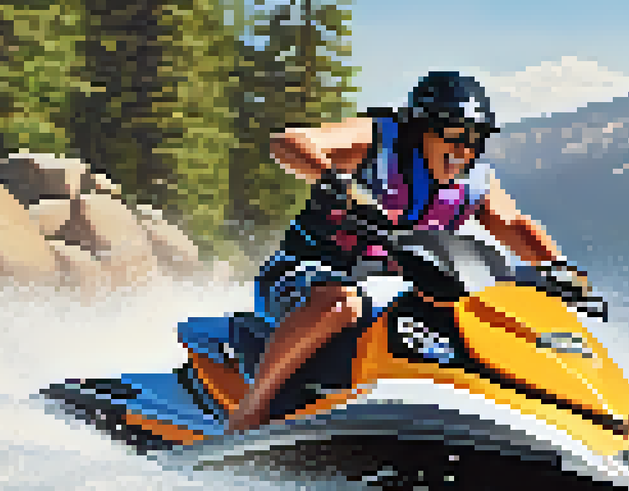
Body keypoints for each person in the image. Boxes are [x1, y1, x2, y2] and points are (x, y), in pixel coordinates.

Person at [227, 72, 567, 433]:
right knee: (343, 302)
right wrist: (336, 183)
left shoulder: (474, 182)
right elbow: (289, 142)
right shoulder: (377, 141)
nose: (463, 150)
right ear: (420, 128)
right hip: (304, 272)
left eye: (475, 139)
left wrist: (560, 270)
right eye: (453, 134)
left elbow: (515, 226)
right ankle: (251, 411)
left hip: (390, 289)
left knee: (478, 317)